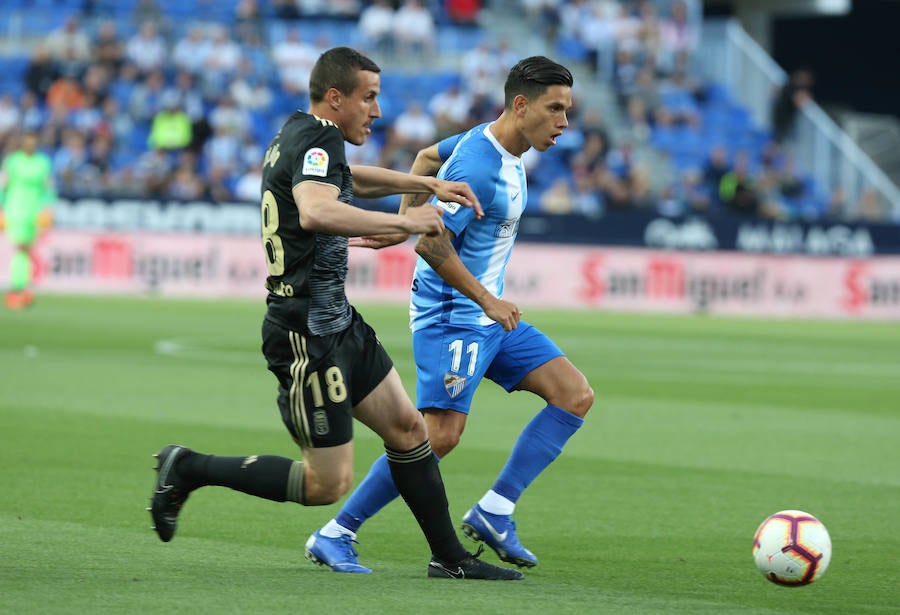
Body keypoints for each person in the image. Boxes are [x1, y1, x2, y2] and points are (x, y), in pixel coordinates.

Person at [148, 46, 522, 582]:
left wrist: (425, 185)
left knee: (408, 430)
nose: (377, 109)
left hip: (336, 319)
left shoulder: (303, 134)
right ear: (335, 98)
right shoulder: (317, 138)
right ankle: (186, 467)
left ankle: (450, 557)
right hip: (304, 332)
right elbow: (318, 209)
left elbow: (348, 180)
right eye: (368, 98)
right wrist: (408, 225)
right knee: (326, 485)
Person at [308, 55, 593, 573]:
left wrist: (401, 221)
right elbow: (433, 249)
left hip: (488, 316)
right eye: (555, 109)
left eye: (567, 110)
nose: (564, 123)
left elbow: (422, 158)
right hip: (453, 315)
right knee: (437, 435)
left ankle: (495, 511)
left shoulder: (488, 142)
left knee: (573, 395)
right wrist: (477, 290)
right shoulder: (480, 166)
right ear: (521, 104)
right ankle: (336, 531)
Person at [0, 131, 56, 310]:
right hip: (15, 209)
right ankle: (19, 287)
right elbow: (5, 185)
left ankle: (20, 287)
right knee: (21, 246)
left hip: (34, 211)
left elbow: (48, 187)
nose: (30, 144)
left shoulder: (42, 162)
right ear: (23, 143)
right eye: (27, 141)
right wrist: (1, 208)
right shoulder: (13, 161)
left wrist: (48, 208)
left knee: (27, 249)